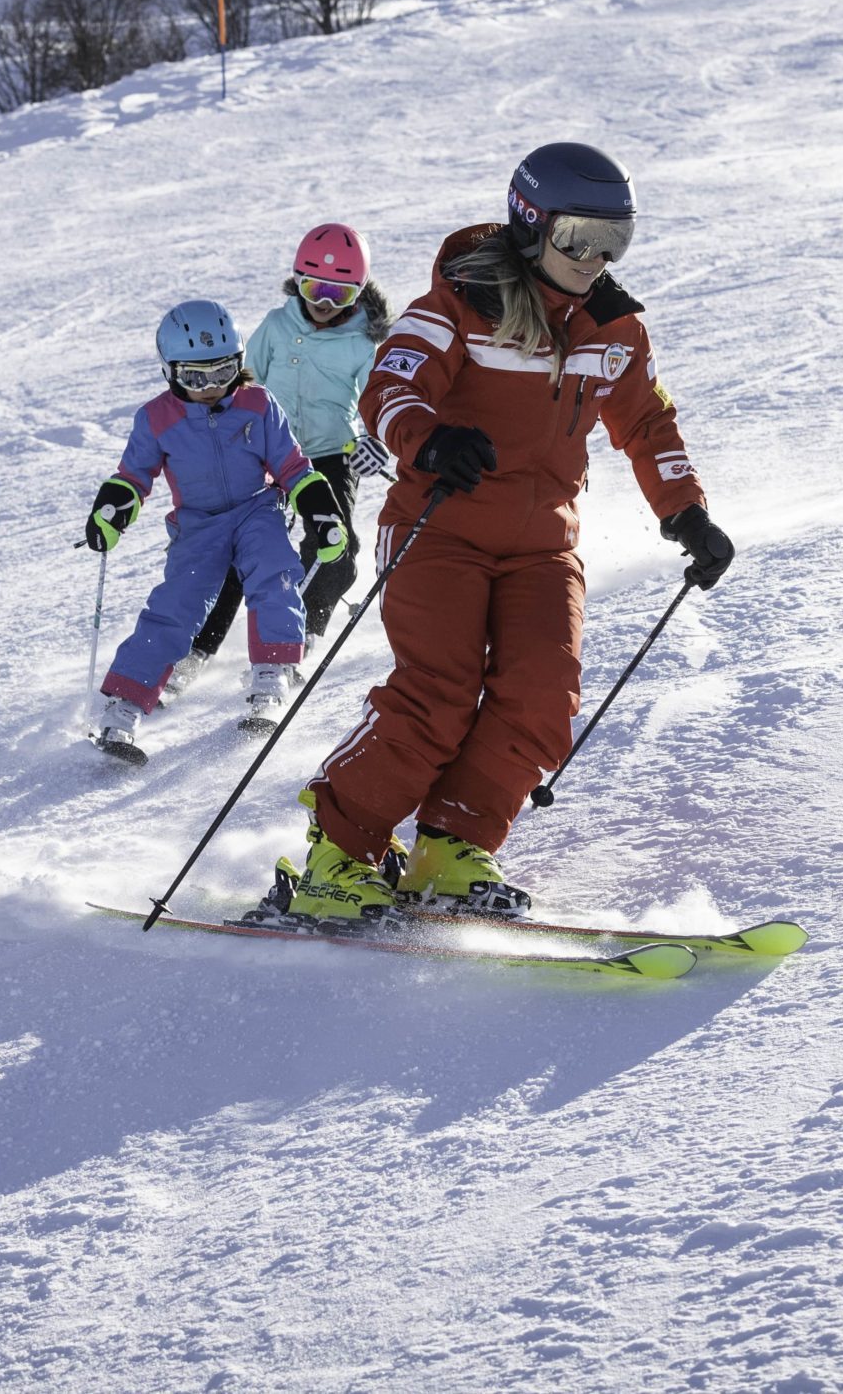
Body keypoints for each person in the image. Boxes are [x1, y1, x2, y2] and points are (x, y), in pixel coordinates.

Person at [275, 142, 735, 921]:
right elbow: (391, 382)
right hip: (439, 530)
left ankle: (452, 846)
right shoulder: (458, 305)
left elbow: (648, 423)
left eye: (614, 241)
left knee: (541, 694)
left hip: (542, 546)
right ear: (531, 225)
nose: (594, 258)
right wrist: (430, 438)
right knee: (439, 694)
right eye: (577, 237)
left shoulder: (611, 331)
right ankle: (338, 849)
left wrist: (685, 509)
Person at [84, 300, 349, 762]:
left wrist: (321, 510)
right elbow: (133, 475)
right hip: (198, 526)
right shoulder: (156, 418)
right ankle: (123, 705)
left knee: (276, 574)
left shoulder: (258, 404)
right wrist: (114, 508)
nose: (210, 388)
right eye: (194, 378)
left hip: (256, 510)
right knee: (176, 607)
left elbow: (291, 464)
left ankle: (272, 674)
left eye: (222, 372)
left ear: (239, 363)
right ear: (170, 372)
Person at [177, 224, 393, 690]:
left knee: (338, 548)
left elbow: (381, 398)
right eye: (314, 288)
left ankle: (301, 636)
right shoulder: (278, 325)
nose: (325, 303)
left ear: (359, 292)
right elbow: (242, 380)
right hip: (266, 452)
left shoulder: (364, 342)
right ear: (297, 282)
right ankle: (198, 649)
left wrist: (377, 438)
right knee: (239, 550)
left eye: (340, 293)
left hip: (329, 453)